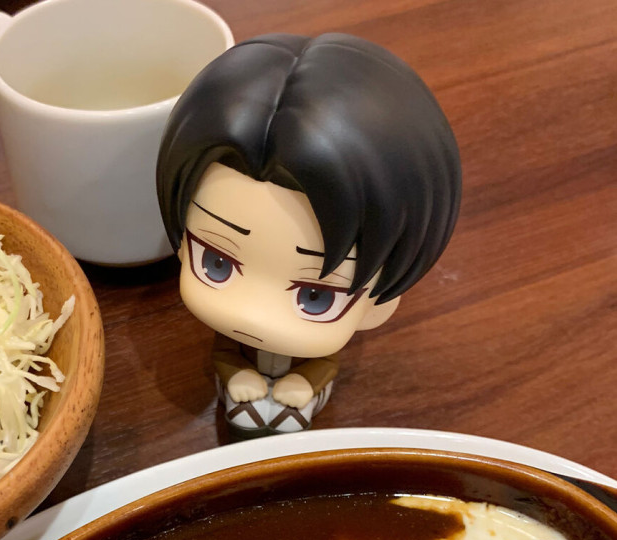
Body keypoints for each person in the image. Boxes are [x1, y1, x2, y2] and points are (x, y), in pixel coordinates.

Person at [156, 33, 462, 436]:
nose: (255, 314)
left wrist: (304, 382)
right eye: (217, 263)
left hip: (301, 397)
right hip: (242, 390)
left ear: (381, 302)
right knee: (244, 414)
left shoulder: (335, 337)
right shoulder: (234, 335)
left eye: (316, 296)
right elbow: (226, 352)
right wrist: (236, 375)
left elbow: (325, 364)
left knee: (290, 419)